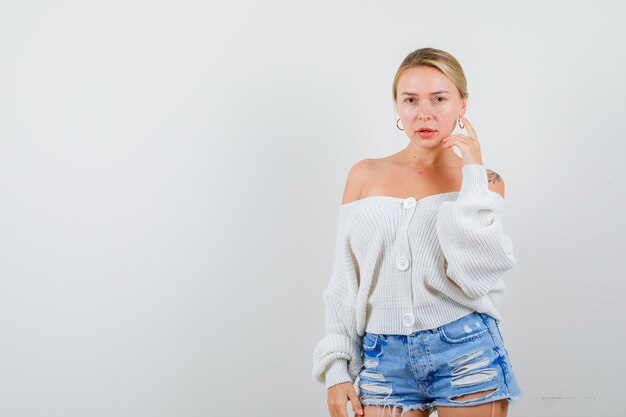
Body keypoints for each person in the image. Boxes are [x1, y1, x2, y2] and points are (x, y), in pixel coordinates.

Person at [311, 47, 523, 417]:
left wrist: (473, 174)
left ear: (462, 105)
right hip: (383, 359)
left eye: (439, 99)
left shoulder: (484, 183)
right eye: (410, 100)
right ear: (397, 106)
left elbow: (475, 276)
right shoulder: (364, 175)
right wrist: (335, 369)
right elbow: (345, 280)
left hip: (465, 350)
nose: (424, 113)